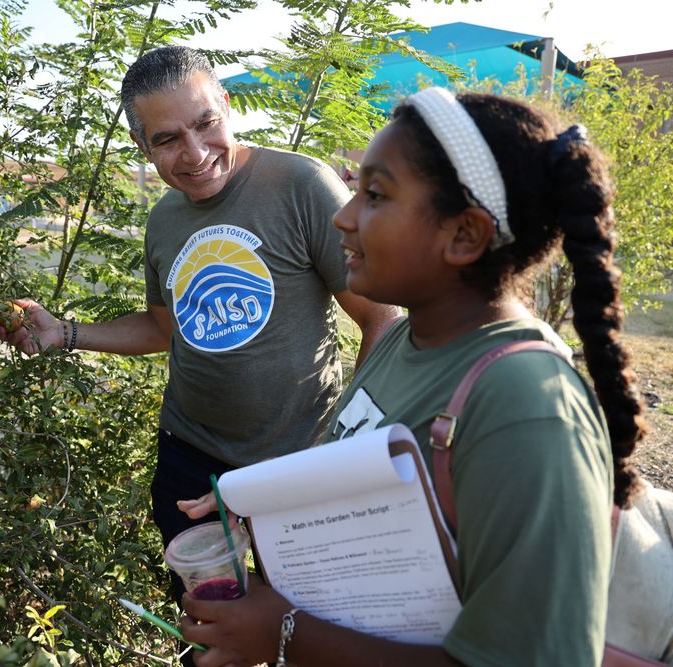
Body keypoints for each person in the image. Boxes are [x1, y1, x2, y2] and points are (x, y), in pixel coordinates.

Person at [176, 87, 649, 666]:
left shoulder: (526, 406)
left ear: (464, 236)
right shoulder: (406, 340)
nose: (343, 218)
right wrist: (274, 502)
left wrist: (286, 634)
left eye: (374, 195)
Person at [0, 43, 399, 643]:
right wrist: (66, 334)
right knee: (213, 630)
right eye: (166, 140)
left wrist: (335, 451)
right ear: (144, 146)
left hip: (299, 460)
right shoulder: (164, 220)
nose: (194, 154)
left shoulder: (300, 184)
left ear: (227, 106)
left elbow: (382, 320)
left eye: (206, 123)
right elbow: (166, 328)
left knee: (318, 630)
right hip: (192, 463)